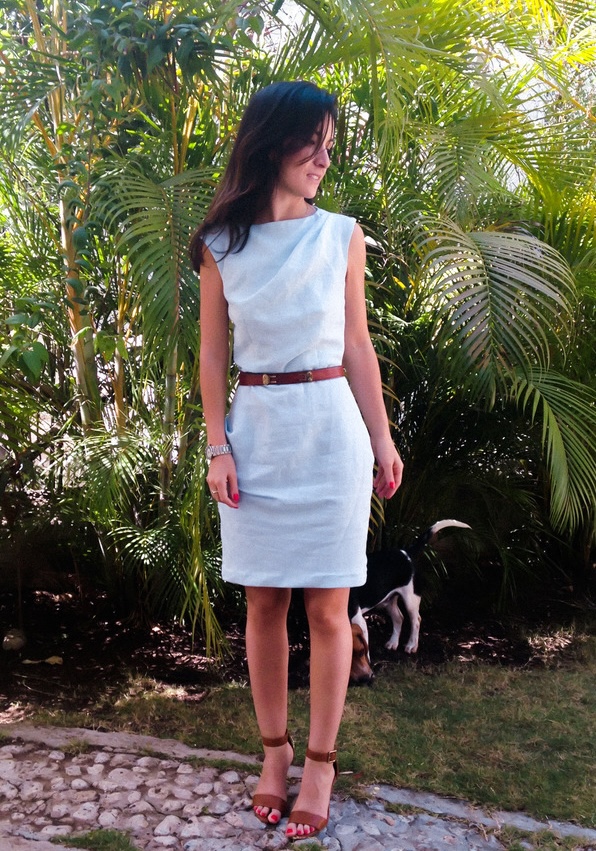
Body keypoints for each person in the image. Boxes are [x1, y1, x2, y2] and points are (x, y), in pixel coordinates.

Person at [189, 80, 403, 840]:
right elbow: (213, 356)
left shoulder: (341, 235)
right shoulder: (221, 245)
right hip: (256, 435)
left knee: (327, 609)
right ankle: (274, 753)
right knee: (263, 605)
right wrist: (217, 444)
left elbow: (357, 346)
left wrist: (382, 437)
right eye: (314, 142)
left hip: (330, 433)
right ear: (273, 141)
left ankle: (320, 763)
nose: (324, 158)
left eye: (330, 145)